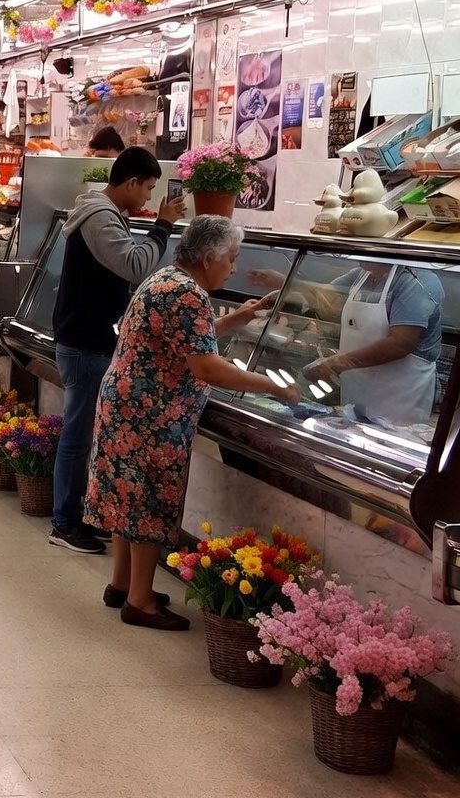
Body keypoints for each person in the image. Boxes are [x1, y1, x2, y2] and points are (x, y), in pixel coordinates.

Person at [85, 216, 300, 631]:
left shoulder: (167, 278)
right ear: (207, 258)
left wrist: (239, 317)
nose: (234, 268)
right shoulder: (189, 295)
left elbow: (184, 339)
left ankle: (121, 584)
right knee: (147, 502)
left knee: (128, 498)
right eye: (232, 260)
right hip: (151, 415)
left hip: (126, 406)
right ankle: (140, 601)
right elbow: (206, 367)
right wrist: (272, 385)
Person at [49, 146, 185, 555]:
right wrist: (162, 225)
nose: (147, 197)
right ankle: (64, 522)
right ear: (129, 182)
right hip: (85, 341)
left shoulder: (105, 215)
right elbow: (134, 266)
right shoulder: (102, 218)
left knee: (84, 433)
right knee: (77, 434)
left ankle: (78, 516)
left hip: (85, 337)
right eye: (147, 188)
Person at [249, 262, 443, 425]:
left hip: (400, 396)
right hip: (358, 390)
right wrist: (283, 281)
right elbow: (325, 299)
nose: (359, 258)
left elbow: (400, 344)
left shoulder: (417, 280)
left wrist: (335, 364)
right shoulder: (361, 275)